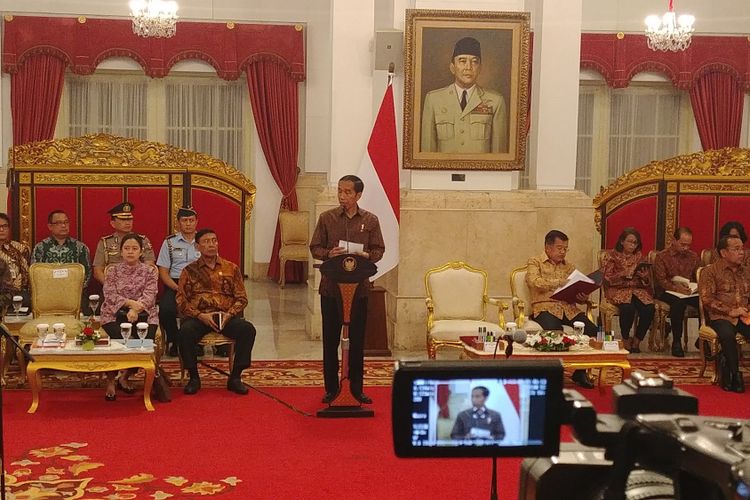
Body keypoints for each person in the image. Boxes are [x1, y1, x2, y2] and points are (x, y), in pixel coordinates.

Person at [309, 175, 385, 405]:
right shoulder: (327, 218)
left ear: (358, 195)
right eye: (340, 192)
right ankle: (332, 389)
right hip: (332, 290)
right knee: (331, 341)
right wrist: (328, 254)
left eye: (348, 192)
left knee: (357, 342)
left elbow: (379, 249)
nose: (342, 196)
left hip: (359, 290)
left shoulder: (370, 220)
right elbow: (315, 247)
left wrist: (366, 256)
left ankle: (356, 389)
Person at [177, 228, 256, 395]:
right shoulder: (189, 271)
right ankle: (194, 377)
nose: (211, 245)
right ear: (197, 247)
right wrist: (200, 315)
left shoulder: (231, 268)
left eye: (214, 240)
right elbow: (181, 300)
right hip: (200, 317)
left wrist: (229, 314)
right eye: (206, 242)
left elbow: (242, 298)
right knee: (185, 331)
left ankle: (235, 377)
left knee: (247, 330)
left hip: (225, 316)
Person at [526, 230, 597, 388]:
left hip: (568, 308)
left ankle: (580, 372)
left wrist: (582, 295)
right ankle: (553, 373)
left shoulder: (569, 267)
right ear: (547, 247)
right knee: (554, 332)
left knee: (592, 330)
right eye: (560, 248)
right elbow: (533, 281)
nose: (563, 252)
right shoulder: (535, 261)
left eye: (566, 248)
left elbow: (575, 288)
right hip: (545, 307)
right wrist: (559, 282)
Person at [420, 36, 508, 154]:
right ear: (452, 67)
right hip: (443, 171)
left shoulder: (495, 101)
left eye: (474, 62)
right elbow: (427, 152)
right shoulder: (433, 100)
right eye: (462, 61)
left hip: (482, 172)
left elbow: (499, 155)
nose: (468, 67)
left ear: (480, 68)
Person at [99, 233, 159, 401]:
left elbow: (150, 295)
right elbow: (109, 295)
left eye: (134, 249)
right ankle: (111, 380)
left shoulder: (149, 271)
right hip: (114, 313)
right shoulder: (112, 271)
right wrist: (130, 305)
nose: (130, 252)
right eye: (126, 248)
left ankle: (125, 376)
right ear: (121, 251)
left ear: (141, 252)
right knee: (118, 340)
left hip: (145, 314)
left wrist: (136, 310)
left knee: (143, 342)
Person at [697, 235, 750, 393]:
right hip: (719, 316)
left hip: (744, 314)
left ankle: (727, 365)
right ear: (724, 252)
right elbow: (707, 299)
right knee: (727, 335)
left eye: (742, 249)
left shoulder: (746, 272)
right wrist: (730, 311)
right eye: (736, 249)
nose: (741, 252)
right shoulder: (710, 272)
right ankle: (734, 374)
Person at [602, 228, 655, 353]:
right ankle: (625, 338)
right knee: (628, 308)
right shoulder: (612, 256)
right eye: (630, 242)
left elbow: (647, 282)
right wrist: (623, 274)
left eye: (635, 243)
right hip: (618, 290)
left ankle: (637, 340)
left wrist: (644, 277)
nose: (632, 245)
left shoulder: (639, 257)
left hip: (637, 290)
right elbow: (607, 278)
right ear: (622, 241)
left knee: (649, 308)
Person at [156, 206, 200, 357]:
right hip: (174, 284)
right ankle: (175, 341)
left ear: (196, 222)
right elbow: (163, 272)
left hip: (199, 285)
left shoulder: (204, 241)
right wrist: (178, 288)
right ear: (178, 223)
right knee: (166, 309)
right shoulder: (169, 243)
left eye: (191, 220)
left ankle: (197, 341)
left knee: (202, 307)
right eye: (184, 221)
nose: (188, 224)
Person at [653, 227, 699, 357]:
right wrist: (676, 288)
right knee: (678, 304)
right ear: (674, 240)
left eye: (688, 245)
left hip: (687, 290)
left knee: (705, 300)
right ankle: (677, 342)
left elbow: (697, 277)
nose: (685, 248)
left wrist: (695, 287)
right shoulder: (662, 257)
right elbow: (661, 281)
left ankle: (702, 339)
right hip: (667, 291)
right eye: (682, 244)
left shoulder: (693, 256)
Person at [93, 202, 155, 285]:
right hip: (112, 287)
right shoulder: (105, 242)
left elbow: (150, 267)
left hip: (138, 287)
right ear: (113, 223)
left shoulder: (143, 241)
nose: (127, 223)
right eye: (123, 220)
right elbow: (97, 272)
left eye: (129, 219)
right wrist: (111, 287)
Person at [31, 209, 92, 289]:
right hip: (47, 293)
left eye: (66, 222)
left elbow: (87, 273)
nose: (63, 226)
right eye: (59, 223)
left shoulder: (80, 248)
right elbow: (35, 274)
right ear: (50, 226)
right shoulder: (40, 248)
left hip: (74, 293)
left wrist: (75, 290)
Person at [0, 213, 31, 308]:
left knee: (25, 298)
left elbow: (26, 274)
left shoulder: (20, 248)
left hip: (16, 292)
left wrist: (15, 286)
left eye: (4, 226)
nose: (1, 230)